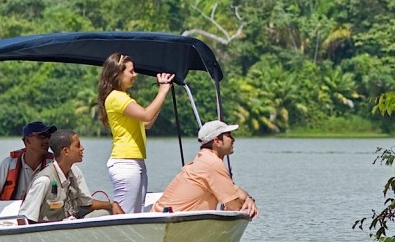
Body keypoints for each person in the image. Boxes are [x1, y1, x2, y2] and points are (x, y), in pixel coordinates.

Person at [97, 53, 176, 213]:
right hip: (125, 163)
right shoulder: (117, 97)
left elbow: (146, 122)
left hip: (135, 161)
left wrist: (163, 93)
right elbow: (146, 115)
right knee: (124, 215)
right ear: (118, 73)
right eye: (131, 71)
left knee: (135, 213)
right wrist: (162, 90)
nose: (135, 74)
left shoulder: (123, 96)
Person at [152, 120, 258, 217]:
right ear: (217, 141)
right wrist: (245, 204)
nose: (233, 139)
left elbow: (235, 190)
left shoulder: (204, 159)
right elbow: (234, 207)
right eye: (229, 135)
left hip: (160, 217)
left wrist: (248, 199)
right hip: (169, 220)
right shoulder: (212, 164)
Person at [19, 129, 125, 223]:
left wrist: (112, 204)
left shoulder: (74, 173)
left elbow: (86, 203)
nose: (82, 148)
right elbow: (24, 219)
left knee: (106, 213)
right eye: (78, 146)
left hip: (70, 224)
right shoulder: (44, 180)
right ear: (66, 151)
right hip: (51, 231)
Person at [0, 121, 57, 215]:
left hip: (43, 218)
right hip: (11, 220)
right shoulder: (8, 165)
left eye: (49, 136)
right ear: (27, 141)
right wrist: (0, 213)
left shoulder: (54, 165)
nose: (47, 140)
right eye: (42, 136)